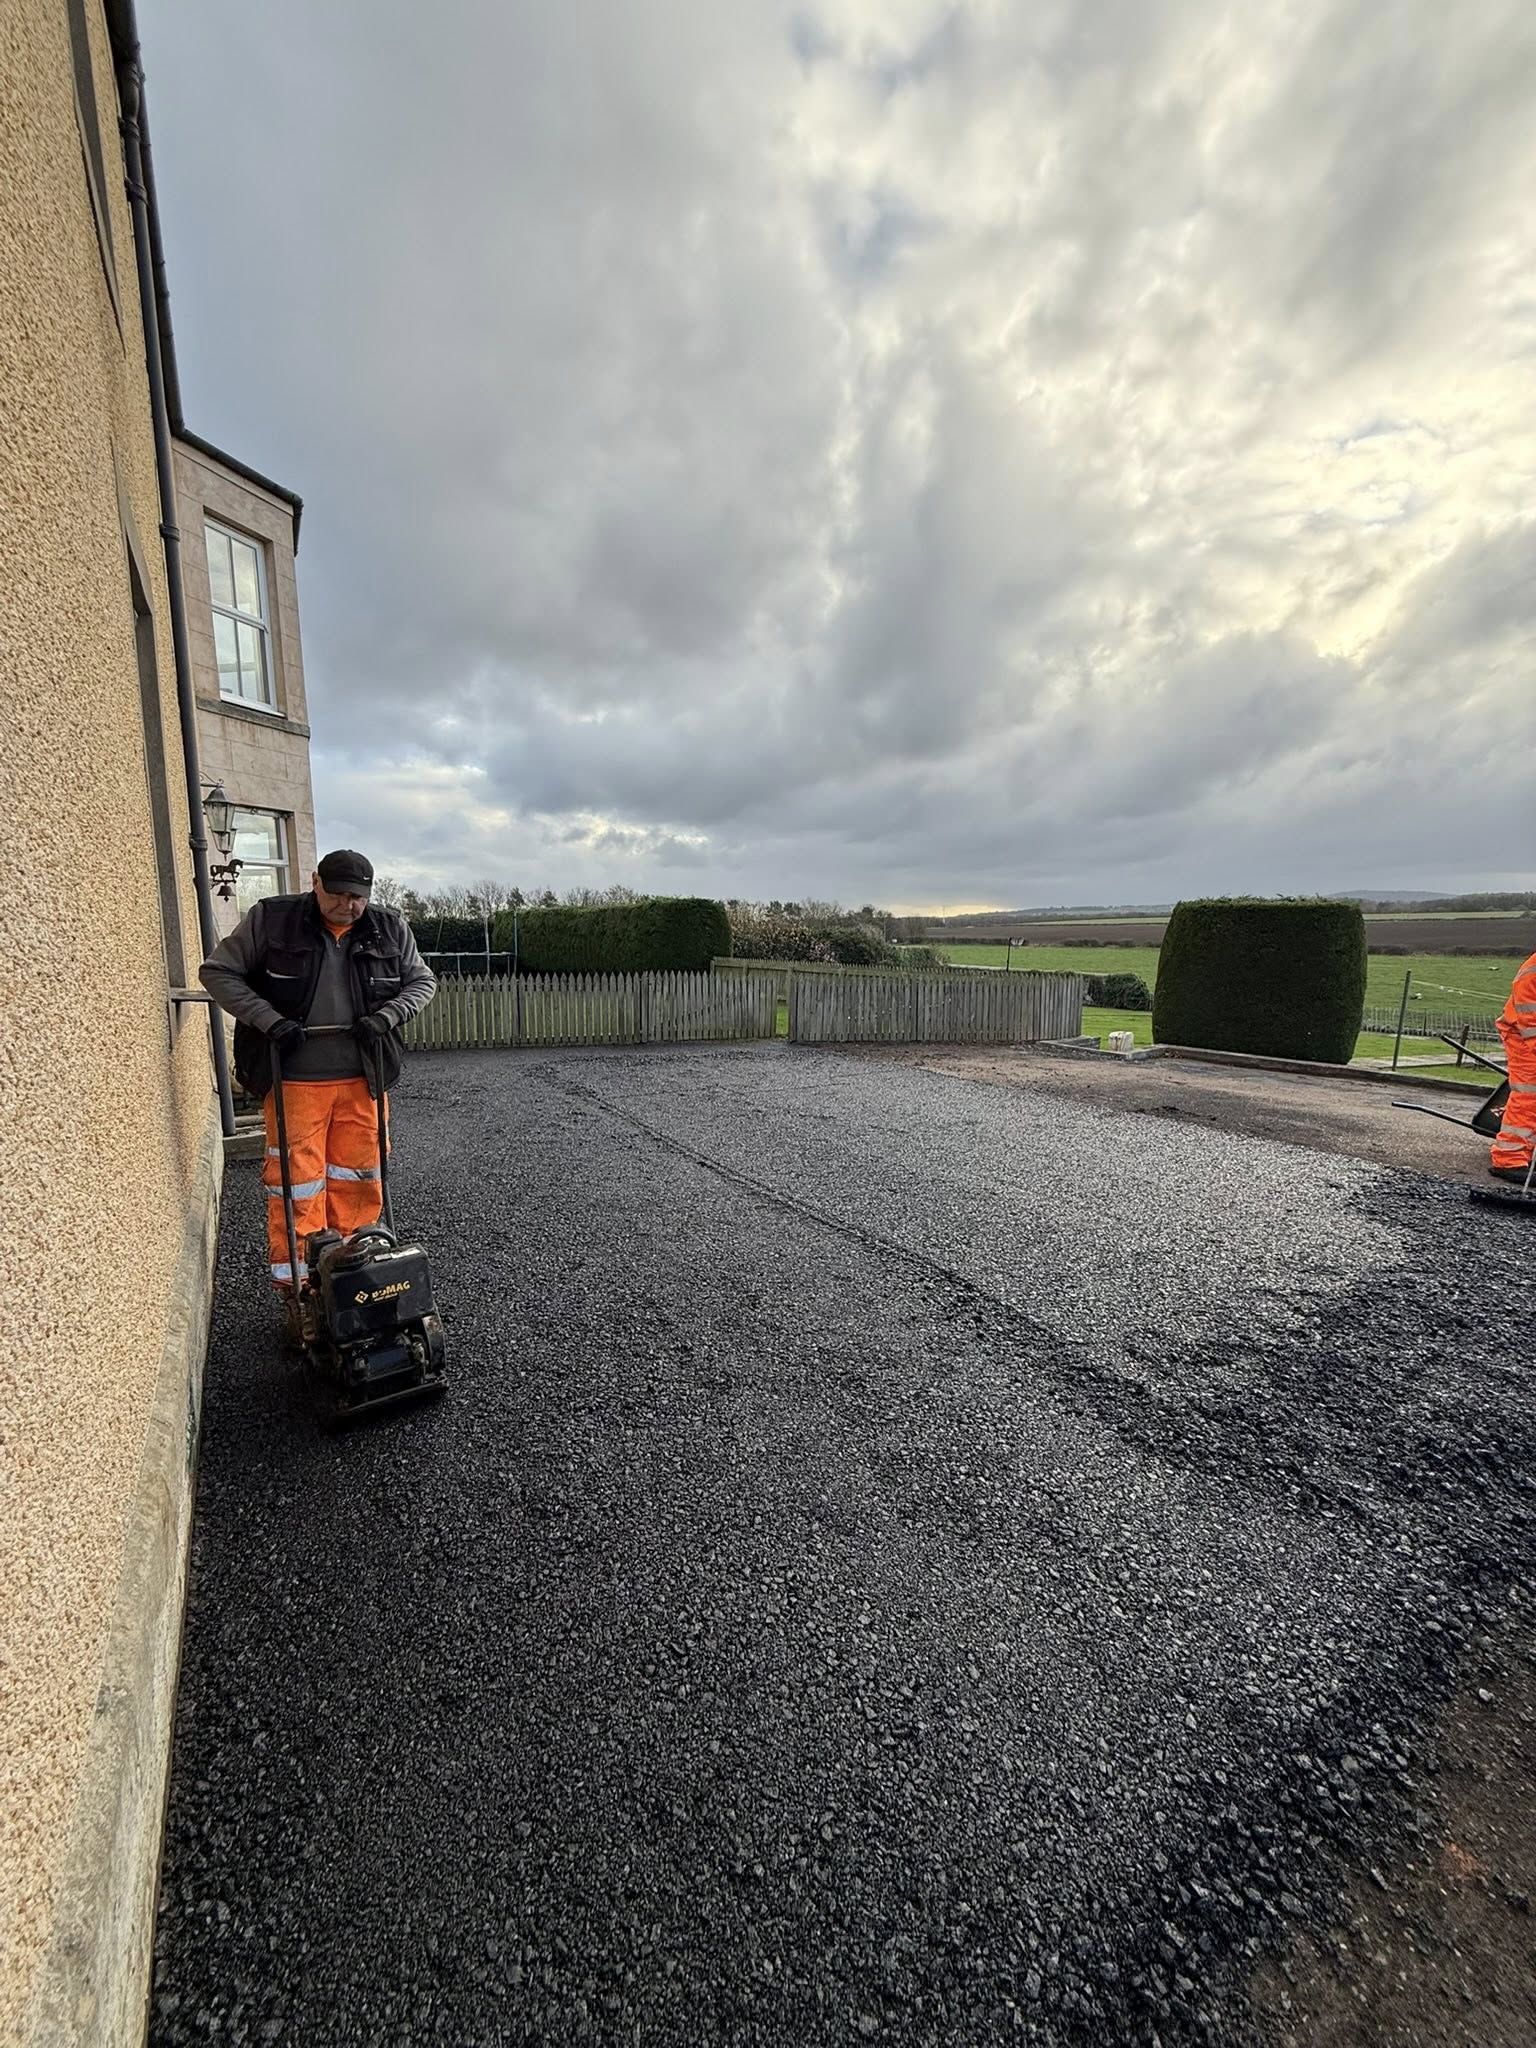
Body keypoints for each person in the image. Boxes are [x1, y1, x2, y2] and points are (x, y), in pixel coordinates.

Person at [200, 849, 437, 1318]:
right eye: (339, 894)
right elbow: (217, 972)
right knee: (297, 1186)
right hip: (294, 1083)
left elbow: (422, 982)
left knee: (359, 1178)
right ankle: (300, 1291)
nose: (348, 906)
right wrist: (269, 1020)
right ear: (315, 883)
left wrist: (386, 1017)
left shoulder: (388, 928)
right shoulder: (272, 920)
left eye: (358, 897)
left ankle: (359, 1271)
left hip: (362, 1081)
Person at [1490, 946, 1536, 1184]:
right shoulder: (1534, 969)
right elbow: (1529, 1012)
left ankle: (1528, 1151)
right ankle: (1509, 1159)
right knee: (1530, 1094)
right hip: (1522, 1034)